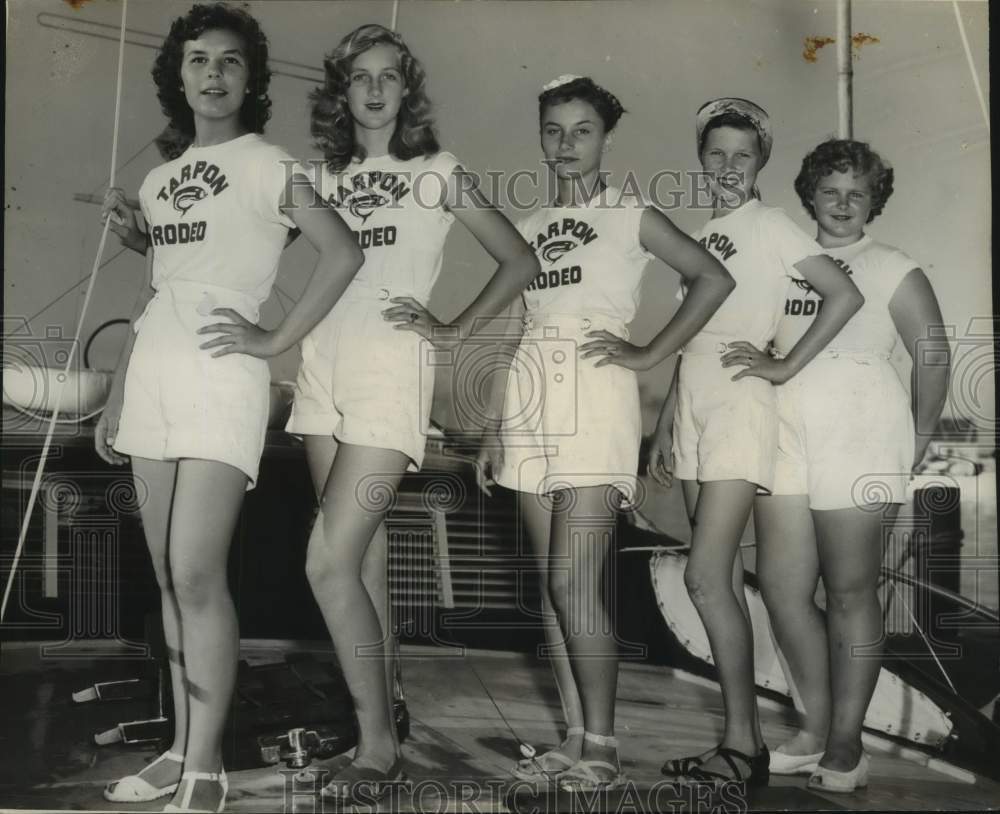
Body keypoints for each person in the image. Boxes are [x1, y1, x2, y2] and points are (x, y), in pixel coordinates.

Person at [96, 5, 363, 812]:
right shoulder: (157, 180)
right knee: (166, 583)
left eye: (231, 63)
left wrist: (274, 335)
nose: (213, 74)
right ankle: (181, 748)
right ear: (178, 76)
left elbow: (342, 250)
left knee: (196, 571)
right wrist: (117, 391)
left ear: (251, 81)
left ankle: (207, 768)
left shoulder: (268, 162)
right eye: (199, 61)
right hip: (154, 370)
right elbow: (168, 283)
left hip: (222, 373)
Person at [285, 23, 540, 804]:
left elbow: (520, 260)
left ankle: (377, 749)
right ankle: (384, 713)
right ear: (341, 89)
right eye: (358, 76)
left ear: (406, 90)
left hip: (390, 370)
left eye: (387, 76)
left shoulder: (437, 171)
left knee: (325, 561)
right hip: (321, 365)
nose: (372, 89)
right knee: (361, 562)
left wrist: (454, 327)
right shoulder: (319, 174)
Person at [478, 74, 735, 792]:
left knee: (574, 581)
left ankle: (606, 744)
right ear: (540, 136)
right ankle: (573, 734)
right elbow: (514, 326)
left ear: (605, 137)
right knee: (552, 590)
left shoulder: (632, 215)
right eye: (554, 130)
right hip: (530, 401)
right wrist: (495, 425)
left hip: (596, 397)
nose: (566, 144)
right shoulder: (527, 231)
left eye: (582, 130)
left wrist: (651, 352)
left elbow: (712, 278)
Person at [647, 98, 864, 789]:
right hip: (694, 407)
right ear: (701, 159)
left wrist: (783, 364)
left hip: (742, 404)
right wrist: (662, 426)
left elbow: (843, 296)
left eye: (743, 154)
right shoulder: (707, 233)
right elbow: (693, 336)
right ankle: (740, 743)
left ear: (761, 161)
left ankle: (745, 746)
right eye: (716, 153)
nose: (728, 166)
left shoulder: (770, 225)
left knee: (707, 578)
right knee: (712, 579)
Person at [748, 139, 950, 792]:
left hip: (863, 427)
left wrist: (915, 443)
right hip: (785, 427)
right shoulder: (784, 261)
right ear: (810, 193)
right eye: (830, 190)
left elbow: (934, 357)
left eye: (856, 192)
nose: (842, 203)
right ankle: (813, 726)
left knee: (850, 592)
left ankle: (845, 743)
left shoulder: (892, 266)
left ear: (874, 201)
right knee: (781, 588)